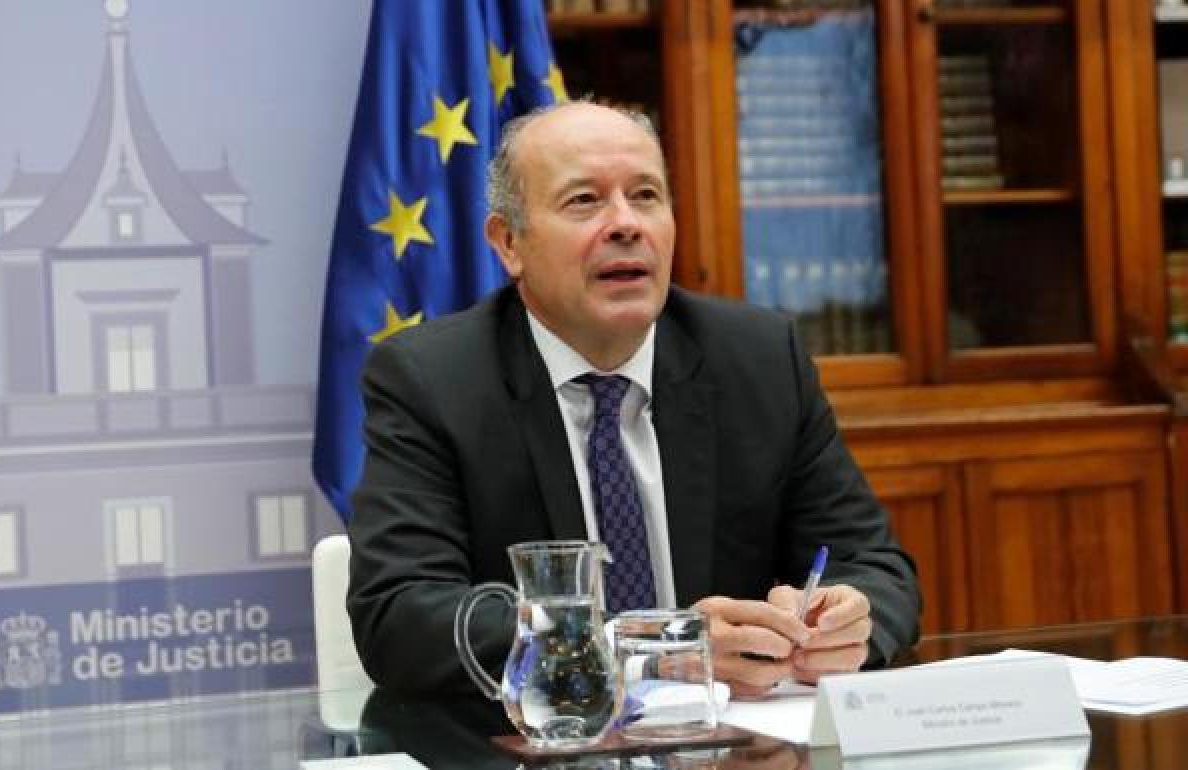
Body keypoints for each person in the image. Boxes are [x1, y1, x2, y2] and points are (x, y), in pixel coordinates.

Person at [347, 101, 920, 698]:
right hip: (537, 738)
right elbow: (401, 616)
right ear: (509, 242)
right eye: (584, 201)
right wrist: (651, 650)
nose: (626, 224)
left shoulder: (758, 360)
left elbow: (878, 569)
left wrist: (850, 621)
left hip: (739, 738)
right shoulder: (434, 380)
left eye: (645, 196)